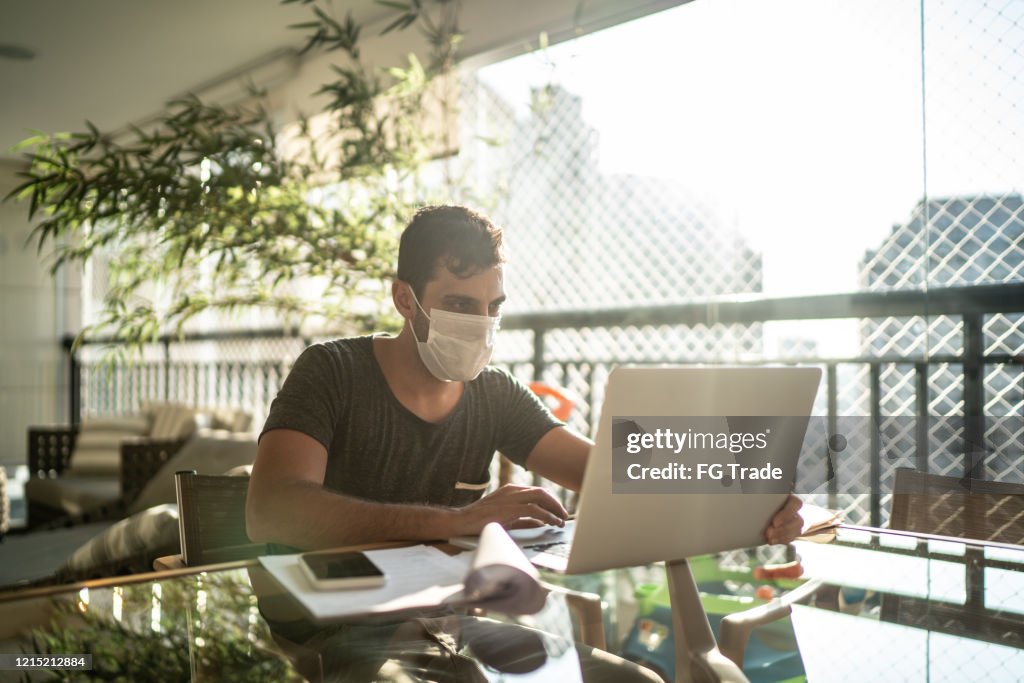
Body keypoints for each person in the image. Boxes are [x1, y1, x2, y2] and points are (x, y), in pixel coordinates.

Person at [245, 204, 803, 682]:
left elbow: (608, 471)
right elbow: (272, 511)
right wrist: (459, 518)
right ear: (405, 299)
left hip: (441, 621)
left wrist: (751, 495)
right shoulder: (331, 371)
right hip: (328, 625)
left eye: (493, 308)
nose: (481, 324)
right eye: (461, 305)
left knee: (638, 680)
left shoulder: (493, 394)